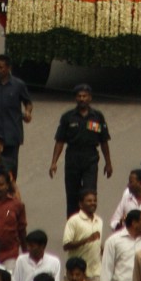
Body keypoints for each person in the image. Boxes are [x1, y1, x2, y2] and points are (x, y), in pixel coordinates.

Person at [50, 83, 112, 216]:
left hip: (90, 158)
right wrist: (54, 162)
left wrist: (108, 163)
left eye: (85, 96)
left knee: (89, 195)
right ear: (75, 98)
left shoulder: (97, 116)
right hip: (73, 158)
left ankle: (89, 224)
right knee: (72, 196)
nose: (82, 99)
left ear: (90, 98)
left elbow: (104, 141)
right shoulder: (67, 117)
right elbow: (60, 141)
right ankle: (73, 228)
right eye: (79, 96)